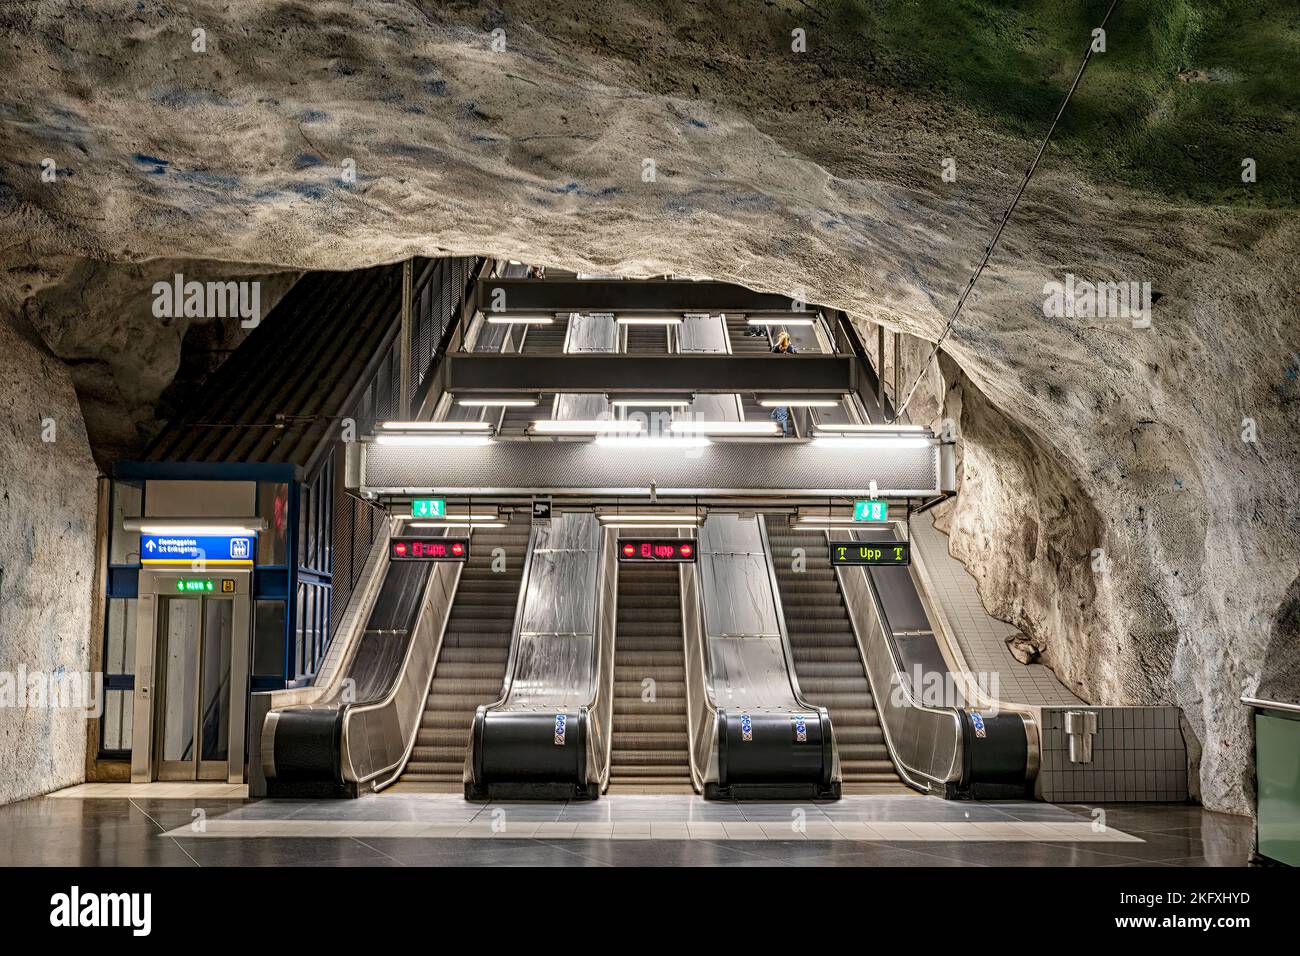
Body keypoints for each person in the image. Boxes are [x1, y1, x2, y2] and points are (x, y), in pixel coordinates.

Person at [769, 331, 797, 436]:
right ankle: (780, 433)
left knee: (781, 414)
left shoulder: (775, 349)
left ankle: (783, 436)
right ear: (789, 339)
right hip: (788, 383)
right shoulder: (792, 349)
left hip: (778, 382)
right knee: (775, 415)